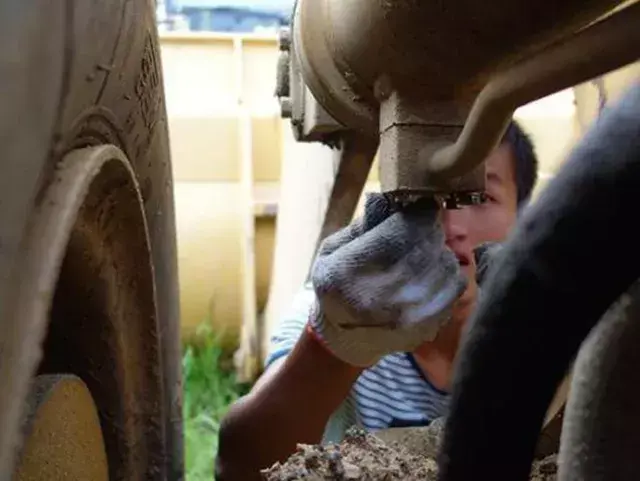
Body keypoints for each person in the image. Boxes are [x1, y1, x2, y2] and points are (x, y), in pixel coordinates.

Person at [215, 121, 538, 481]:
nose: (451, 225)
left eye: (478, 197)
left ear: (524, 218)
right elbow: (240, 467)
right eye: (427, 195)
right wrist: (335, 346)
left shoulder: (546, 334)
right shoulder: (336, 307)